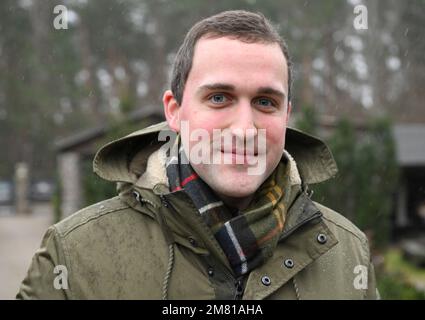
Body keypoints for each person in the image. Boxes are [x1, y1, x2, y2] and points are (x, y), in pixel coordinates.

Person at [17, 10, 379, 300]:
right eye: (219, 98)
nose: (243, 128)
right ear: (174, 111)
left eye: (265, 102)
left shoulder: (347, 253)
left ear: (286, 115)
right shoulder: (75, 254)